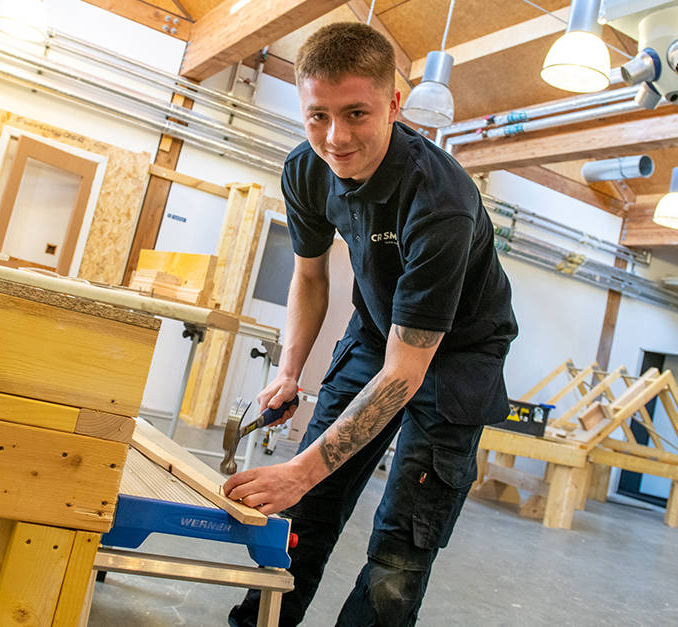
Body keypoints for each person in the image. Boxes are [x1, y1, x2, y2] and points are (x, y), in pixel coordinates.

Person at [224, 22, 517, 627]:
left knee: (398, 555)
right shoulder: (306, 170)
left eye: (356, 113)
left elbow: (406, 374)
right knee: (300, 517)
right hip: (378, 332)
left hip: (456, 359)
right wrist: (288, 372)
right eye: (318, 116)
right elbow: (309, 277)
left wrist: (297, 471)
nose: (336, 138)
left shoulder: (440, 199)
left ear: (393, 104)